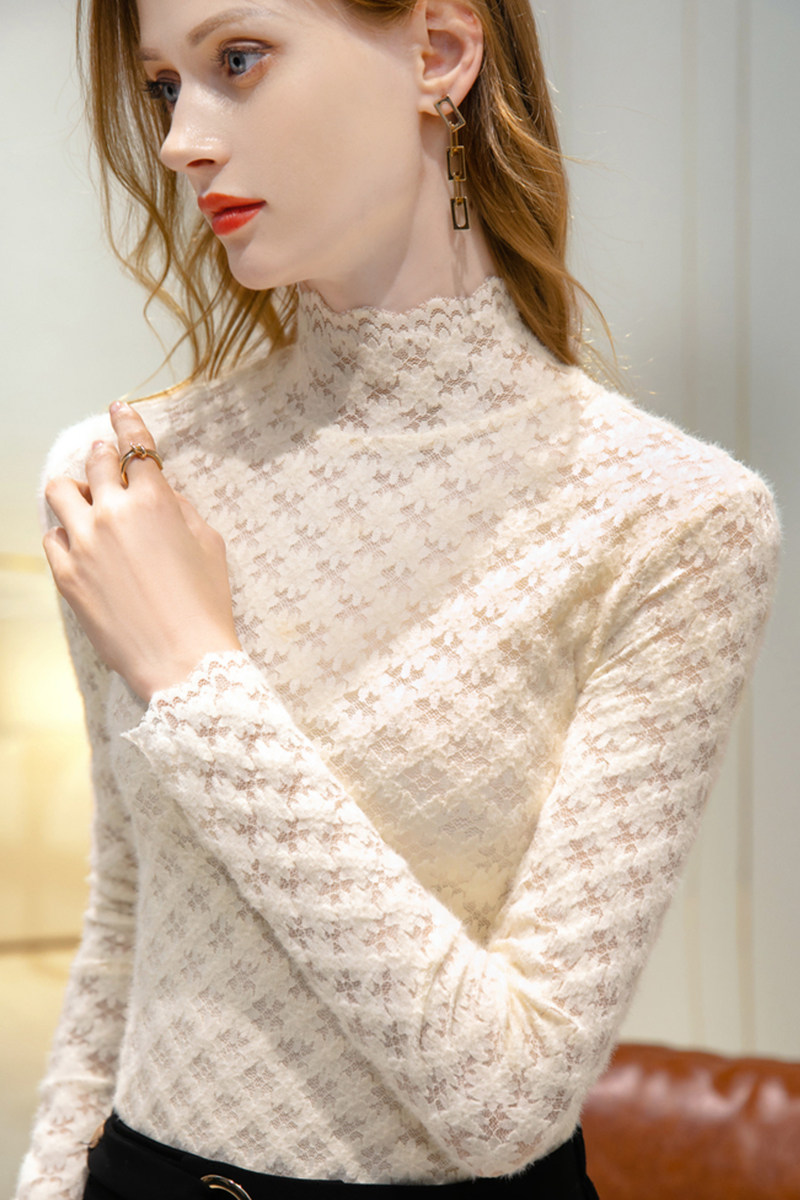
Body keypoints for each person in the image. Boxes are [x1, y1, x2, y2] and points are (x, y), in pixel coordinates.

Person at [16, 0, 780, 1197]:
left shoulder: (673, 521)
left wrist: (195, 677)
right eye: (164, 86)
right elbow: (124, 933)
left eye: (237, 60)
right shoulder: (120, 480)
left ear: (438, 53)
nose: (180, 141)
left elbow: (509, 1102)